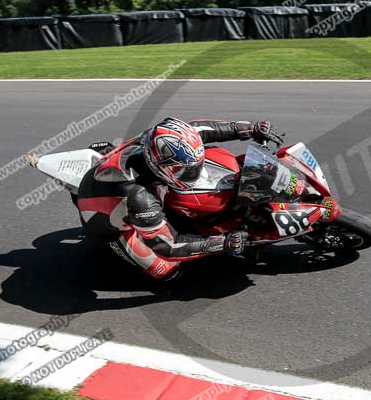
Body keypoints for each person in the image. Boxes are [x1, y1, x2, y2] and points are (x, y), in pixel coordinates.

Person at [76, 117, 283, 281]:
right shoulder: (140, 197)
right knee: (168, 271)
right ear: (157, 166)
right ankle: (118, 247)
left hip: (117, 177)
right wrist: (222, 243)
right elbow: (168, 246)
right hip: (107, 224)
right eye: (184, 171)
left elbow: (202, 129)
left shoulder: (162, 136)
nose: (193, 174)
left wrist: (250, 129)